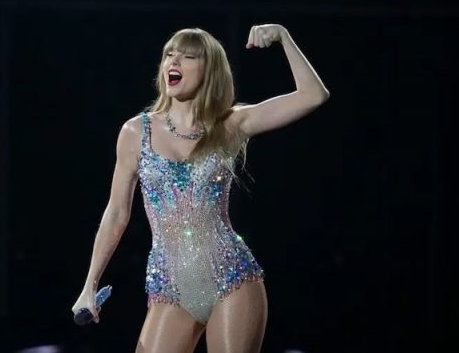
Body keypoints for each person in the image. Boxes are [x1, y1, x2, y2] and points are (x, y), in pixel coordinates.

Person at [71, 24, 330, 353]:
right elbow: (117, 213)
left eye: (188, 55)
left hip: (232, 279)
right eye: (169, 54)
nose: (173, 60)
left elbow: (313, 96)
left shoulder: (231, 124)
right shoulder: (136, 132)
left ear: (209, 70)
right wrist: (88, 286)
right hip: (170, 288)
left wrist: (282, 36)